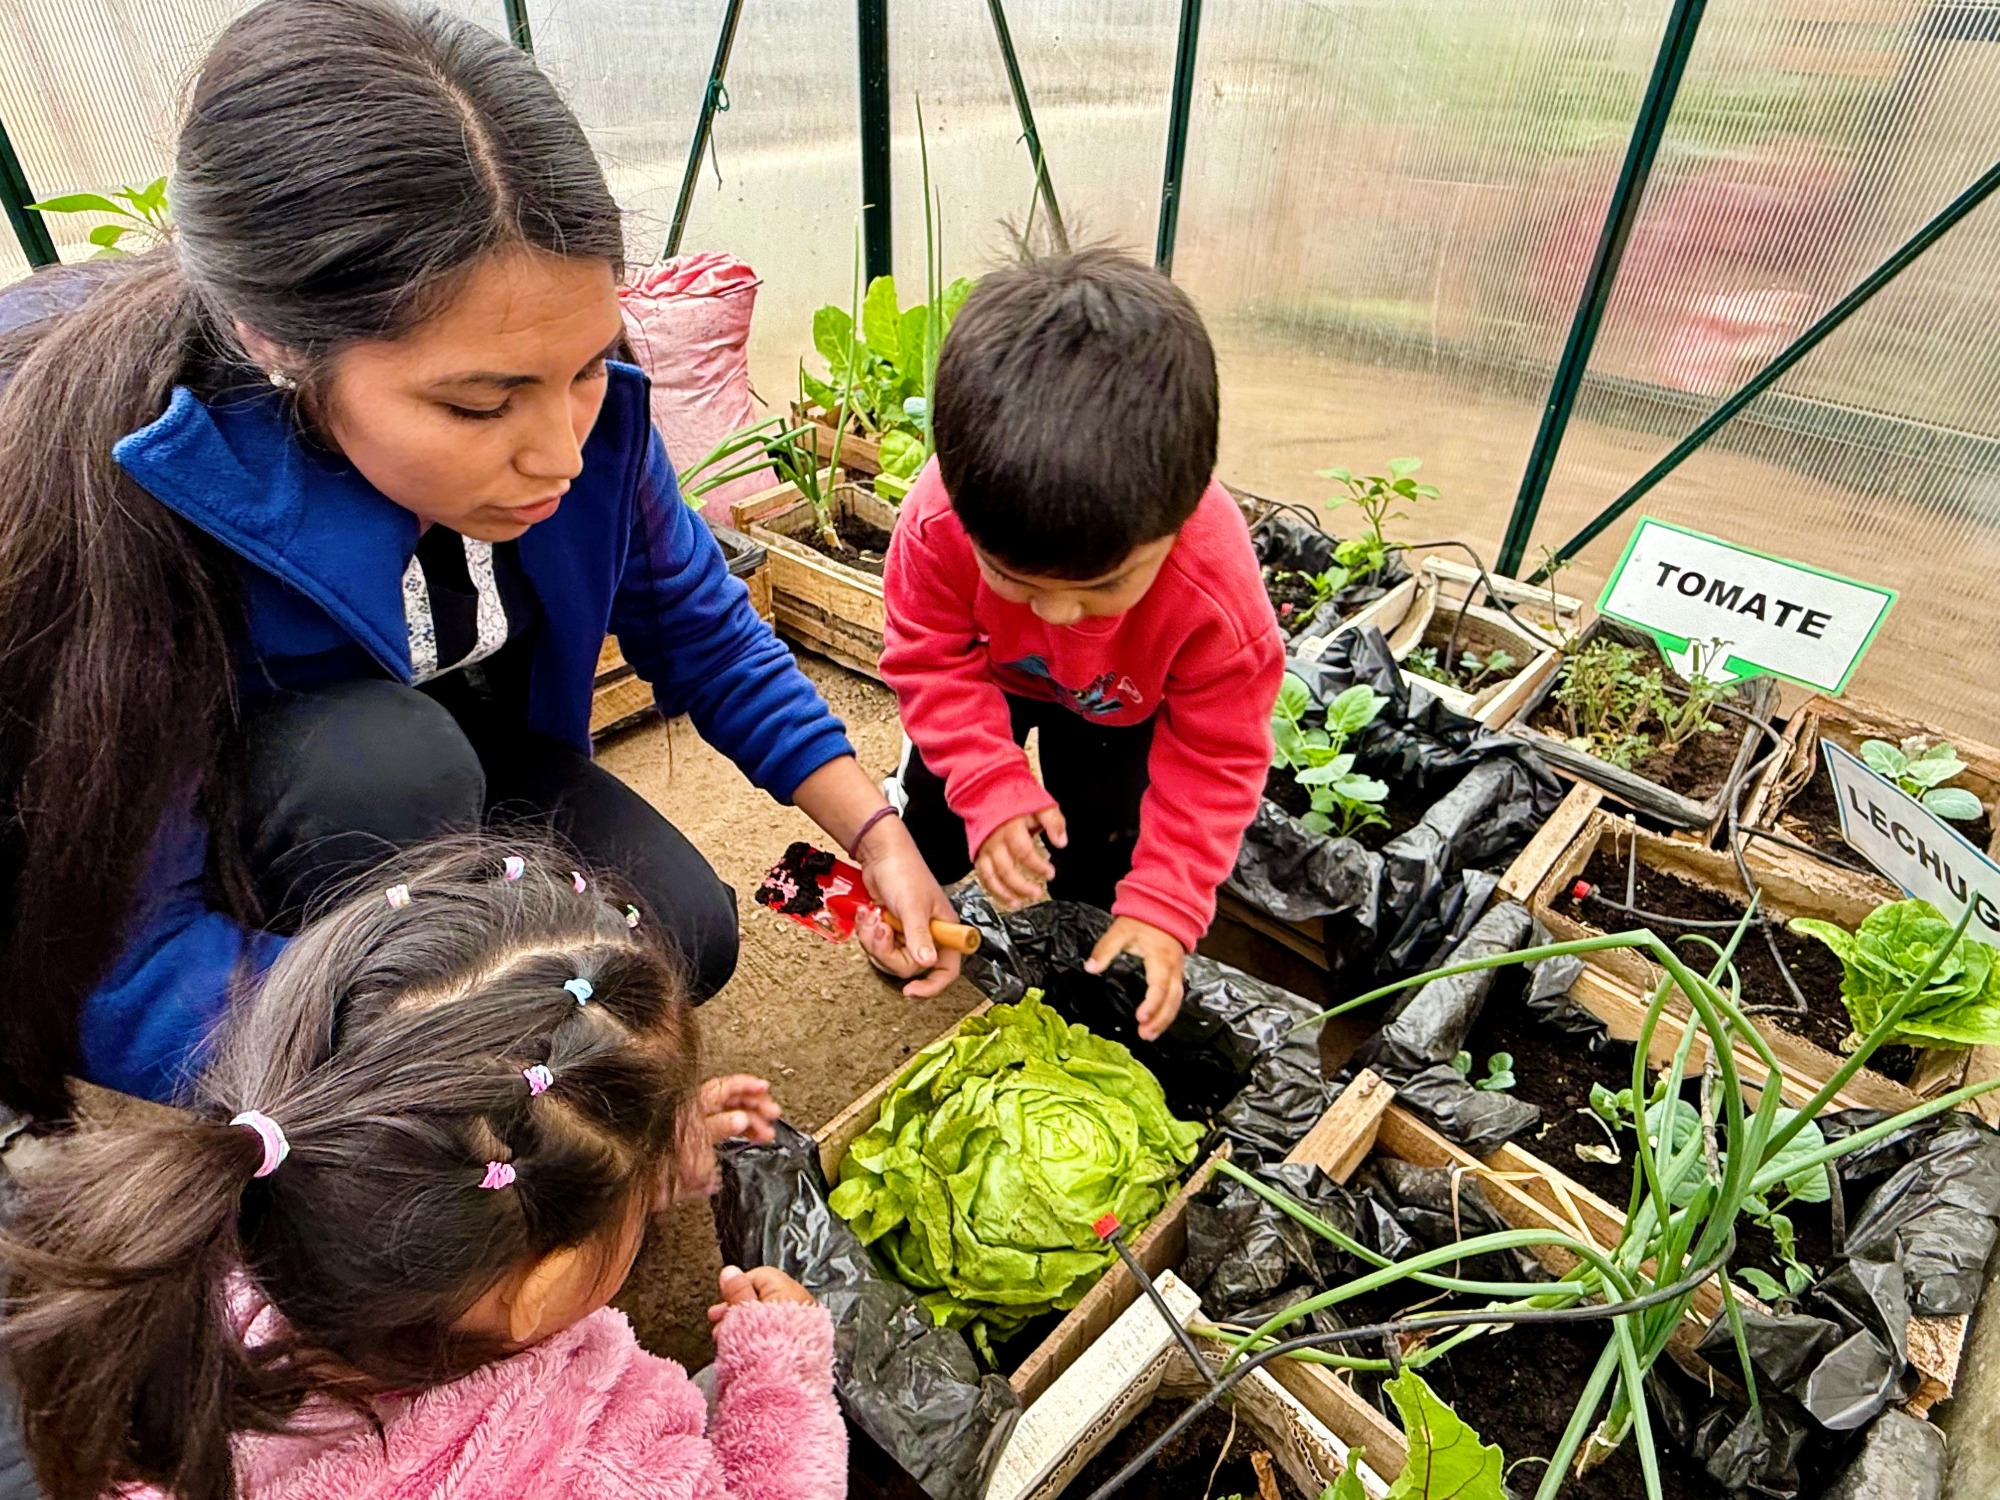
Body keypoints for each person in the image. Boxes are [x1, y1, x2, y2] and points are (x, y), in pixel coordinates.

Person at [0, 0, 958, 1119]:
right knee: (385, 766)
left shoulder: (573, 407)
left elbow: (702, 628)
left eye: (585, 368)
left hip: (475, 758)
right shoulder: (119, 505)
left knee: (675, 942)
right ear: (277, 345)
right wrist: (437, 1060)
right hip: (271, 825)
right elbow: (128, 966)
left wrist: (876, 833)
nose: (559, 454)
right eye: (477, 405)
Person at [1, 840, 845, 1500]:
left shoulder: (214, 1255)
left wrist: (623, 1166)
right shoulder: (609, 1463)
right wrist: (782, 1375)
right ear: (544, 1287)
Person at [879, 250, 1285, 1041]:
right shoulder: (939, 520)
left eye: (1105, 585)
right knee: (936, 818)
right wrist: (988, 782)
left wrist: (1167, 899)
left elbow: (1217, 753)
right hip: (986, 678)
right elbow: (929, 656)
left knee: (1103, 844)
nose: (1058, 613)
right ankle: (908, 913)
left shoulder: (1216, 591)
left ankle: (1088, 954)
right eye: (1011, 576)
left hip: (1121, 707)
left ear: (1179, 517)